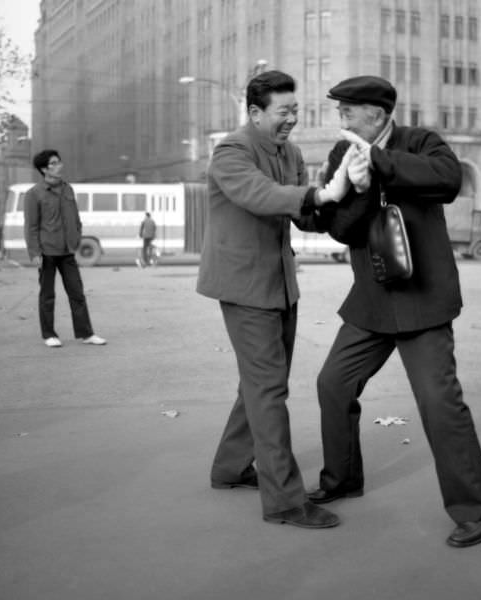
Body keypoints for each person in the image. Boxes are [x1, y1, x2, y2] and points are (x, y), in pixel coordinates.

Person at [307, 75, 481, 548]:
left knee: (438, 402)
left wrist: (379, 163)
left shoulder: (422, 142)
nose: (341, 121)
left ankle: (474, 511)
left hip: (424, 301)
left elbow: (447, 180)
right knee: (333, 383)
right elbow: (341, 230)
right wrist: (358, 186)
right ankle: (342, 478)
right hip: (371, 303)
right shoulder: (340, 154)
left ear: (376, 115)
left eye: (347, 112)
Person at [196, 70, 351, 530]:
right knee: (268, 389)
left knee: (261, 381)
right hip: (244, 288)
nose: (291, 119)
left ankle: (229, 467)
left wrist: (344, 203)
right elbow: (261, 196)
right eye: (284, 112)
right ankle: (284, 501)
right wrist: (319, 193)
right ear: (255, 112)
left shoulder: (291, 152)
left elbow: (304, 214)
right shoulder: (231, 151)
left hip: (279, 283)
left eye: (295, 110)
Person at [24, 149, 107, 347]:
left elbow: (75, 218)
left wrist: (77, 237)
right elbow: (31, 226)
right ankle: (49, 335)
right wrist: (35, 253)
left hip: (67, 251)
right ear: (44, 169)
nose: (59, 166)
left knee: (77, 293)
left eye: (59, 162)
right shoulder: (34, 194)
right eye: (54, 163)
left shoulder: (68, 189)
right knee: (47, 295)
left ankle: (86, 333)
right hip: (47, 252)